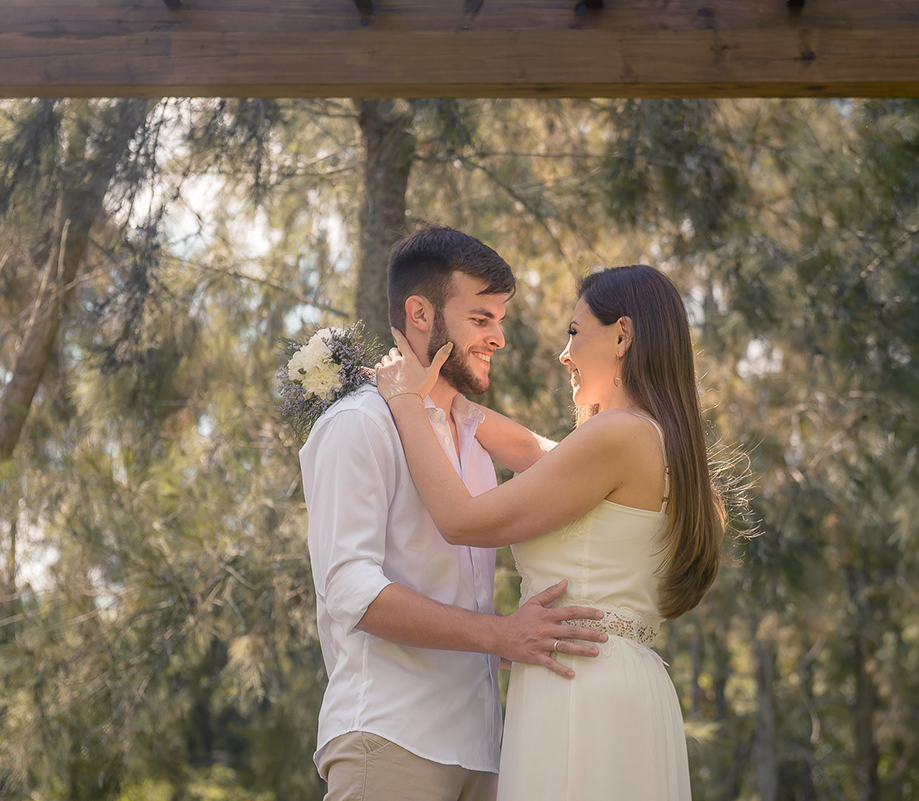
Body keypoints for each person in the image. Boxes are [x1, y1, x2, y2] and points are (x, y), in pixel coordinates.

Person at [375, 263, 727, 801]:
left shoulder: (617, 435)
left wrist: (402, 400)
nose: (565, 354)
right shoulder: (658, 444)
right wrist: (444, 396)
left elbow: (461, 519)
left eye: (574, 332)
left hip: (578, 686)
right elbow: (530, 451)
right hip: (619, 684)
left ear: (622, 336)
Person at [300, 226, 608, 801]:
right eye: (480, 319)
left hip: (485, 753)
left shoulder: (471, 433)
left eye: (500, 319)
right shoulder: (358, 425)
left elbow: (567, 463)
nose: (498, 338)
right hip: (390, 742)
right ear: (421, 313)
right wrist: (502, 636)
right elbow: (351, 591)